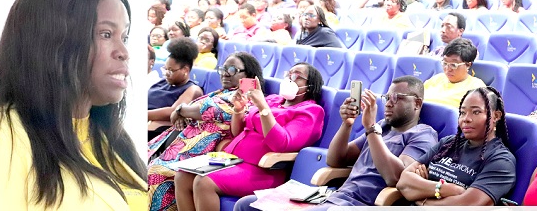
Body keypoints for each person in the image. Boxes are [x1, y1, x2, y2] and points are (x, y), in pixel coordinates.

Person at [0, 0, 147, 210]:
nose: (123, 52)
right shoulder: (0, 134)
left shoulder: (109, 136)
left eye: (124, 37)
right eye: (106, 34)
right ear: (53, 41)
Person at [233, 76, 438, 210]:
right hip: (335, 197)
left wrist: (370, 129)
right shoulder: (382, 127)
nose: (389, 102)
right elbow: (335, 159)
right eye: (387, 96)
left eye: (397, 98)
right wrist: (347, 125)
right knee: (247, 205)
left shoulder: (423, 134)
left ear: (417, 103)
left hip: (363, 204)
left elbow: (395, 177)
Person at [174, 63, 326, 211]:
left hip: (261, 170)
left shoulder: (311, 111)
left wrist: (262, 106)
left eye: (297, 76)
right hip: (232, 159)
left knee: (204, 182)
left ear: (310, 85)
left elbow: (281, 143)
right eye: (288, 74)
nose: (289, 78)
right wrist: (238, 110)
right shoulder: (273, 100)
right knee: (182, 176)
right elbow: (237, 131)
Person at [147, 52, 265, 211]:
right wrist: (184, 112)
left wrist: (182, 110)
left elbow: (212, 110)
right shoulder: (221, 92)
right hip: (180, 142)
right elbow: (197, 109)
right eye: (223, 69)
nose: (224, 73)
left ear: (249, 75)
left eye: (231, 69)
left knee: (156, 173)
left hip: (203, 149)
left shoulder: (248, 95)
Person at [396, 87, 516, 206]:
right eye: (462, 112)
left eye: (476, 112)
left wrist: (422, 198)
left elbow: (467, 205)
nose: (466, 119)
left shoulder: (501, 161)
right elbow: (404, 182)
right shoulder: (448, 143)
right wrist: (443, 188)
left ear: (496, 116)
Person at [148, 37, 203, 129]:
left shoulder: (192, 89)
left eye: (170, 70)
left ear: (185, 70)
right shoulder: (162, 82)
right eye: (165, 69)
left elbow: (174, 111)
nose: (166, 74)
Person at [424, 38, 486, 108]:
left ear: (468, 65)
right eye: (445, 63)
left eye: (453, 65)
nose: (448, 69)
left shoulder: (476, 88)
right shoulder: (436, 79)